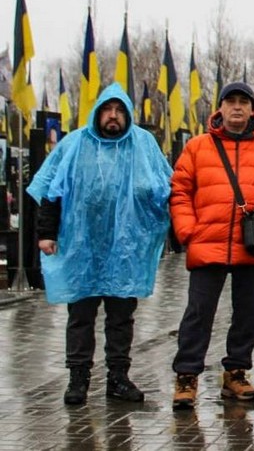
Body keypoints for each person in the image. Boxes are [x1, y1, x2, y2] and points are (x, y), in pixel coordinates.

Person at [28, 82, 172, 406]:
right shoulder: (75, 144)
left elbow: (165, 192)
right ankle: (78, 378)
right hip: (82, 248)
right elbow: (52, 191)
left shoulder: (143, 145)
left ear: (127, 114)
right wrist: (46, 233)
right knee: (80, 315)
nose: (113, 116)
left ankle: (118, 378)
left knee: (121, 317)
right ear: (98, 112)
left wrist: (166, 234)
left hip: (125, 251)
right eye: (107, 109)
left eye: (119, 110)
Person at [169, 81, 254, 410]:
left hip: (253, 246)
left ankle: (236, 373)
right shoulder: (198, 148)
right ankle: (187, 376)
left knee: (249, 314)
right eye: (231, 102)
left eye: (244, 102)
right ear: (220, 108)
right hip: (207, 244)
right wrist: (188, 231)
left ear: (253, 109)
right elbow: (180, 191)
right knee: (198, 314)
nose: (237, 108)